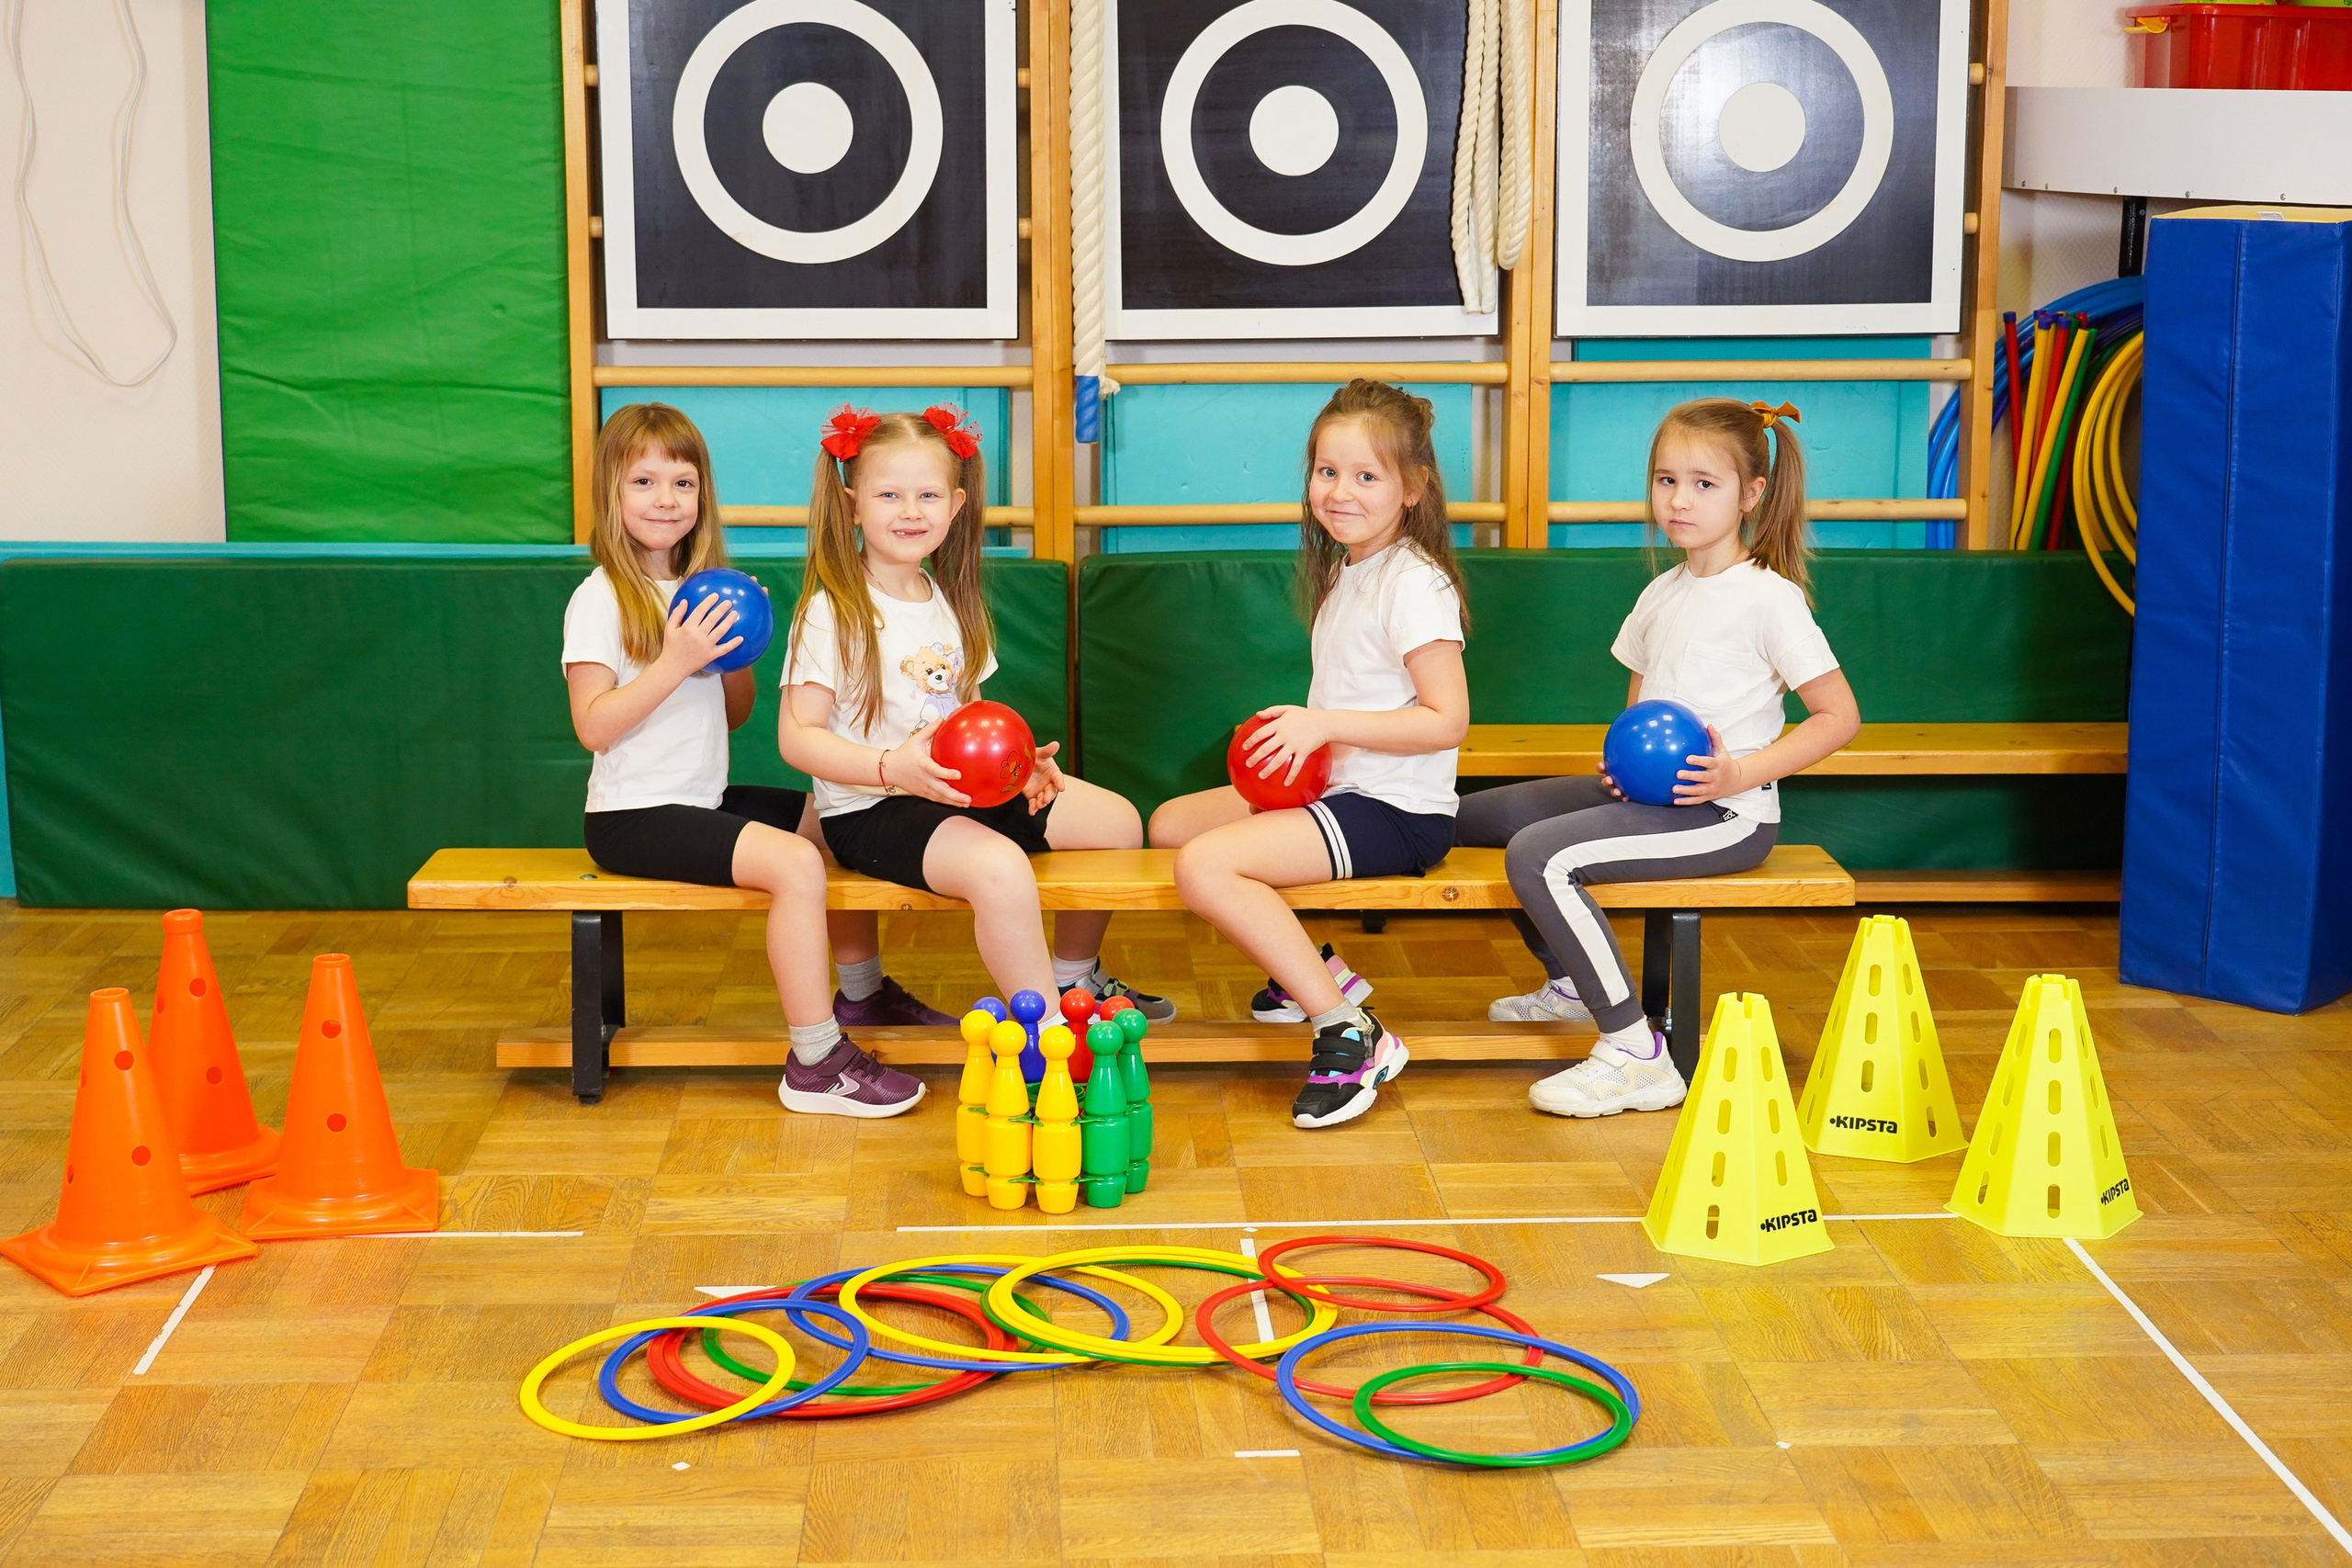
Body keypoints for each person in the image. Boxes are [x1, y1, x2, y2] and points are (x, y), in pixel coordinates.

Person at [1458, 398, 1860, 1118]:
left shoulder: (1770, 599)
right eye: (1666, 480)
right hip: (1647, 798)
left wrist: (1741, 771)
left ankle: (1636, 1052)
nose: (1679, 499)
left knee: (1537, 855)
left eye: (1704, 483)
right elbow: (1638, 710)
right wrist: (1619, 768)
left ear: (1753, 494)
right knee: (1467, 817)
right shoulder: (1661, 590)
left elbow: (1839, 716)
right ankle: (1577, 985)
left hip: (1725, 811)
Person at [561, 402, 931, 1118]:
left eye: (683, 482)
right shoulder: (601, 596)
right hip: (631, 815)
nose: (666, 499)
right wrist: (677, 658)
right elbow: (593, 726)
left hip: (701, 795)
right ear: (610, 492)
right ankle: (817, 1058)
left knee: (832, 818)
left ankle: (861, 993)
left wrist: (737, 651)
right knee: (794, 865)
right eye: (643, 481)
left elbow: (733, 713)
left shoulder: (703, 586)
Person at [780, 404, 1171, 1023]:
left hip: (958, 793)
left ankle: (1076, 982)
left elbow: (972, 714)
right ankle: (1045, 1027)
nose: (911, 511)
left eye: (928, 494)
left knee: (1119, 823)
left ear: (956, 505)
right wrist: (890, 768)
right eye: (889, 494)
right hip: (872, 808)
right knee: (1000, 867)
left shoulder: (949, 598)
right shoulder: (833, 611)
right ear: (853, 504)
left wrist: (1019, 769)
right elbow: (796, 738)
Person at [1149, 380, 1468, 1130]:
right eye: (1328, 472)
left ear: (1414, 487)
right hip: (1343, 791)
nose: (1341, 491)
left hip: (1396, 810)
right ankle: (1315, 971)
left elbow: (1446, 719)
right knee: (1171, 825)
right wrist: (1302, 735)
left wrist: (1322, 723)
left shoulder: (1414, 584)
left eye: (1367, 476)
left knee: (1206, 865)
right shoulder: (1350, 570)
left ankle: (1349, 1030)